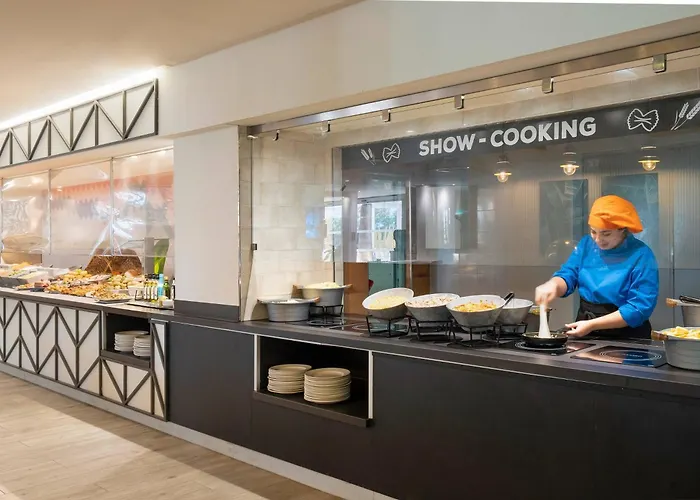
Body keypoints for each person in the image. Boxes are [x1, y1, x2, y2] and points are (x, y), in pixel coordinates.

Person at [535, 195, 659, 339]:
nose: (598, 239)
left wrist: (592, 325)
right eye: (593, 231)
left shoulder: (641, 255)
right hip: (585, 328)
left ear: (623, 229)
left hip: (627, 335)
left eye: (606, 234)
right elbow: (569, 273)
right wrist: (554, 285)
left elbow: (639, 308)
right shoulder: (587, 245)